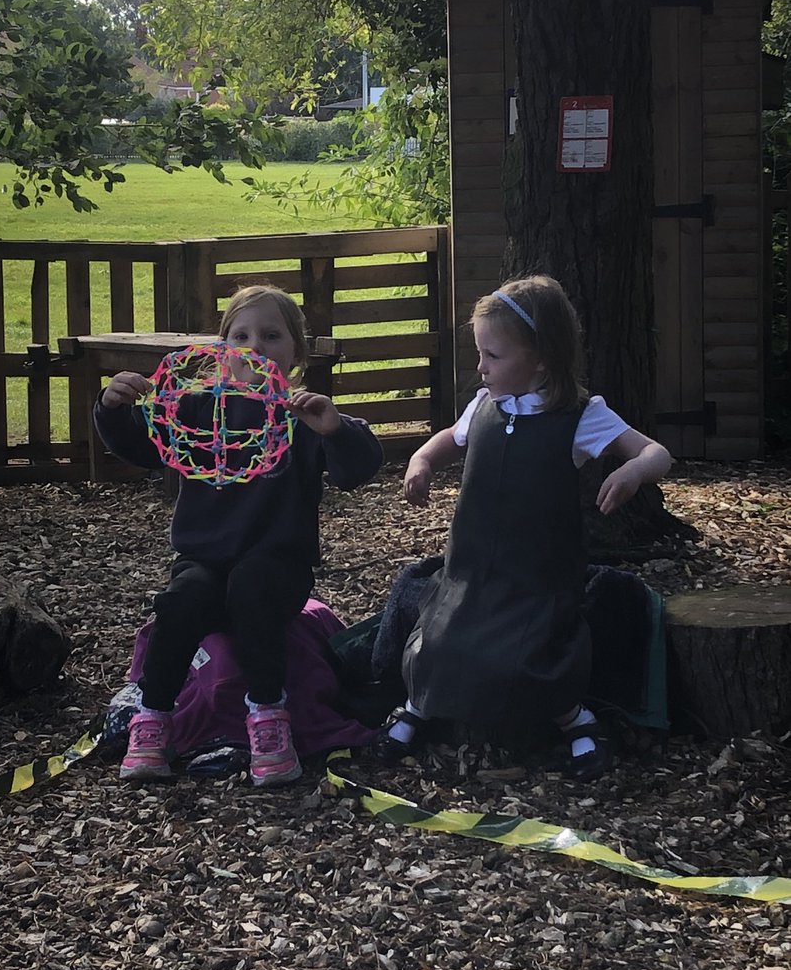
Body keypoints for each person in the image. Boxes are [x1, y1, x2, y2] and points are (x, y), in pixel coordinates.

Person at [373, 274, 673, 782]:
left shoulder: (580, 415)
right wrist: (421, 460)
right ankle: (418, 707)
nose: (480, 367)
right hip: (469, 568)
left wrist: (631, 471)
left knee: (531, 657)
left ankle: (575, 719)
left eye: (492, 356)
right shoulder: (485, 406)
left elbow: (656, 452)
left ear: (541, 357)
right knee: (439, 639)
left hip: (536, 574)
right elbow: (450, 438)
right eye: (480, 353)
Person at [94, 284, 383, 787]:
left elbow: (359, 467)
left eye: (271, 336)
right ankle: (153, 719)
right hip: (204, 556)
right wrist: (113, 408)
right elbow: (144, 448)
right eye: (241, 335)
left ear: (296, 353)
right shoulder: (197, 409)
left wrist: (336, 430)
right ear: (222, 347)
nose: (254, 347)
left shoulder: (303, 414)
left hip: (278, 563)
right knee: (182, 599)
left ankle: (268, 721)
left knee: (252, 585)